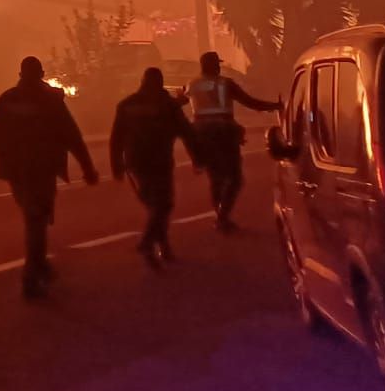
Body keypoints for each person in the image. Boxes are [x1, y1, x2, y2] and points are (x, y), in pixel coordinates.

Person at [0, 56, 98, 298]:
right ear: (41, 74)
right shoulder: (49, 101)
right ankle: (31, 275)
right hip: (42, 168)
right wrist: (88, 168)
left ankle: (40, 266)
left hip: (16, 171)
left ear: (21, 74)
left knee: (33, 218)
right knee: (37, 220)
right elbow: (72, 135)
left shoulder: (7, 99)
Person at [110, 66, 203, 267]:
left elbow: (116, 138)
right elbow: (187, 133)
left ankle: (163, 245)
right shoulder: (168, 105)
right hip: (160, 161)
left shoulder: (127, 105)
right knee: (162, 204)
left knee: (155, 204)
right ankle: (148, 242)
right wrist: (197, 158)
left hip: (136, 162)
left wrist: (116, 165)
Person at [185, 50, 279, 232]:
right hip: (224, 133)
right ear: (213, 65)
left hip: (201, 134)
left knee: (215, 178)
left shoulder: (192, 84)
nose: (220, 67)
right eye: (217, 64)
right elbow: (250, 102)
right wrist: (274, 106)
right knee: (235, 178)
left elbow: (177, 103)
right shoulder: (225, 84)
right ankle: (222, 216)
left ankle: (220, 216)